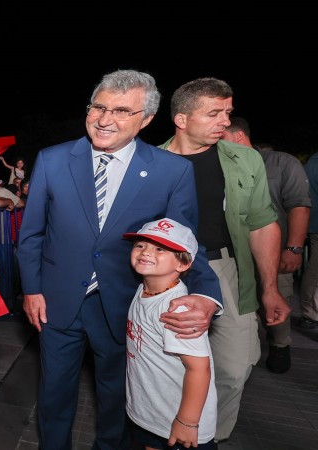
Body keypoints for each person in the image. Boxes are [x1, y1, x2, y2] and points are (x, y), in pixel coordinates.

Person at [16, 69, 222, 450]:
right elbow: (32, 234)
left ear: (146, 119)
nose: (105, 119)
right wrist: (31, 289)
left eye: (122, 111)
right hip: (56, 301)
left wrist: (207, 296)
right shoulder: (52, 160)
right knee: (54, 394)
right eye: (98, 107)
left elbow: (186, 244)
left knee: (117, 398)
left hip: (124, 305)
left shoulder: (171, 171)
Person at [158, 77, 291, 444]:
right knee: (169, 366)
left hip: (226, 268)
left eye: (228, 112)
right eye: (214, 113)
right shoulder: (151, 162)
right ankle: (168, 433)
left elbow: (262, 224)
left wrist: (270, 289)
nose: (225, 122)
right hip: (168, 274)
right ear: (182, 119)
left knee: (235, 366)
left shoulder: (245, 159)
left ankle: (210, 438)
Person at [222, 117, 310, 374]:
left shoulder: (282, 163)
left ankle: (280, 344)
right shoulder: (221, 163)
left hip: (274, 249)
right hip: (234, 252)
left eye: (222, 137)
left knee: (276, 295)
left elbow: (299, 206)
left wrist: (293, 248)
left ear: (238, 136)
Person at [124, 218, 217, 450]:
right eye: (140, 245)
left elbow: (199, 369)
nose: (146, 252)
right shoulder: (144, 288)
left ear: (184, 264)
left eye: (160, 249)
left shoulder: (178, 310)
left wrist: (187, 421)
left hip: (179, 423)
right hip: (152, 415)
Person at [299, 152, 318, 330]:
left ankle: (310, 311)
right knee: (314, 270)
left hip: (313, 223)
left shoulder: (309, 164)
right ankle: (309, 312)